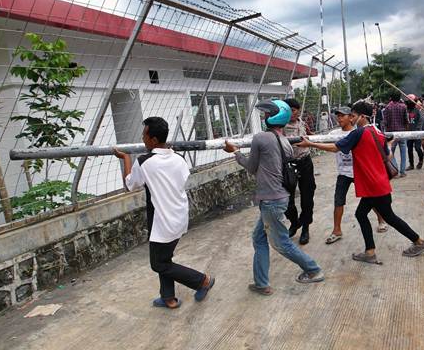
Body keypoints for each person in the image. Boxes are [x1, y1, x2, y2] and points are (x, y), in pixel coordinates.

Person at [298, 99, 424, 264]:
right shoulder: (377, 131)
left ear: (362, 116)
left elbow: (335, 148)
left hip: (373, 184)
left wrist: (310, 143)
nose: (351, 119)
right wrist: (389, 143)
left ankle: (418, 242)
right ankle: (370, 251)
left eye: (353, 116)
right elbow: (388, 156)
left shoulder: (358, 133)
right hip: (378, 182)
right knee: (362, 214)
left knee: (389, 217)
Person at [224, 99, 324, 296]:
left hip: (270, 200)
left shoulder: (261, 138)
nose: (264, 117)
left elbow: (251, 167)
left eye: (267, 115)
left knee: (281, 243)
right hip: (278, 197)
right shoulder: (285, 142)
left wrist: (235, 151)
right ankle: (261, 283)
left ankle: (313, 270)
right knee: (259, 237)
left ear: (273, 117)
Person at [114, 117, 214, 309]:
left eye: (144, 135)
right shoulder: (179, 159)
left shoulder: (145, 161)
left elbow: (130, 185)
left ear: (152, 140)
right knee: (164, 259)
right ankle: (168, 298)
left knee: (159, 264)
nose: (142, 139)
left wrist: (126, 158)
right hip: (179, 215)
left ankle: (202, 281)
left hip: (162, 220)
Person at [325, 107, 388, 245]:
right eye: (338, 116)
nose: (339, 118)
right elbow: (328, 145)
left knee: (370, 200)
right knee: (338, 200)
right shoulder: (333, 133)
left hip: (360, 171)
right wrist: (309, 139)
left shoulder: (358, 132)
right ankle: (337, 230)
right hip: (343, 172)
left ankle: (381, 220)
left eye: (343, 116)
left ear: (351, 117)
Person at [282, 98, 316, 245]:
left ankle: (305, 228)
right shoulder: (280, 126)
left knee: (307, 197)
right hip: (288, 164)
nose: (291, 114)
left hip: (305, 162)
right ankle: (295, 222)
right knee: (285, 199)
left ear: (299, 110)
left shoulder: (303, 124)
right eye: (288, 111)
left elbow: (312, 135)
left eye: (294, 110)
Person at [383, 92, 409, 177]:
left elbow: (385, 122)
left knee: (391, 153)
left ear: (391, 98)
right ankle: (403, 171)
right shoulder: (403, 107)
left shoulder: (387, 108)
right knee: (403, 153)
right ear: (399, 98)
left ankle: (395, 169)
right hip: (402, 133)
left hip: (391, 134)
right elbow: (406, 121)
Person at [406, 95, 424, 170]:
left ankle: (421, 160)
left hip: (416, 133)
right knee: (409, 149)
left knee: (417, 148)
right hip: (408, 133)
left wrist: (417, 130)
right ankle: (411, 164)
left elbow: (420, 121)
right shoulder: (406, 110)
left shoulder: (417, 111)